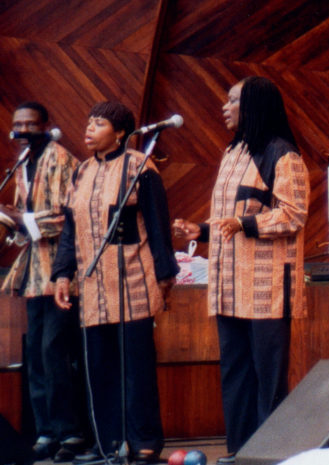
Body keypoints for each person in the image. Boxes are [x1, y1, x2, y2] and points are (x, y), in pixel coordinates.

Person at [173, 77, 308, 463]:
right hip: (229, 285)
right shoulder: (232, 153)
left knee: (268, 380)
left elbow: (293, 214)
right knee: (235, 372)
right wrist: (200, 230)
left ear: (254, 106)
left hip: (266, 289)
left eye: (233, 100)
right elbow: (228, 218)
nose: (224, 107)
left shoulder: (284, 156)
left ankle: (271, 454)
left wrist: (245, 225)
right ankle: (241, 451)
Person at [50, 101, 178, 464]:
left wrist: (165, 273)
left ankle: (145, 442)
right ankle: (109, 444)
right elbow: (71, 230)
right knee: (100, 368)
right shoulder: (81, 171)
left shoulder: (140, 167)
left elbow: (157, 224)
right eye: (89, 121)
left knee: (136, 368)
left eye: (100, 123)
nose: (89, 128)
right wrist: (62, 273)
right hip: (92, 289)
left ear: (120, 133)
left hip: (133, 281)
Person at [0, 103, 86, 462]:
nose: (22, 129)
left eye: (29, 123)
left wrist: (21, 219)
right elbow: (23, 221)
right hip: (33, 273)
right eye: (17, 123)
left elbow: (70, 216)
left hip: (61, 273)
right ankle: (45, 430)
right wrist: (12, 223)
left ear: (46, 126)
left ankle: (70, 432)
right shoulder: (22, 162)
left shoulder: (62, 159)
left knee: (55, 353)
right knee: (35, 354)